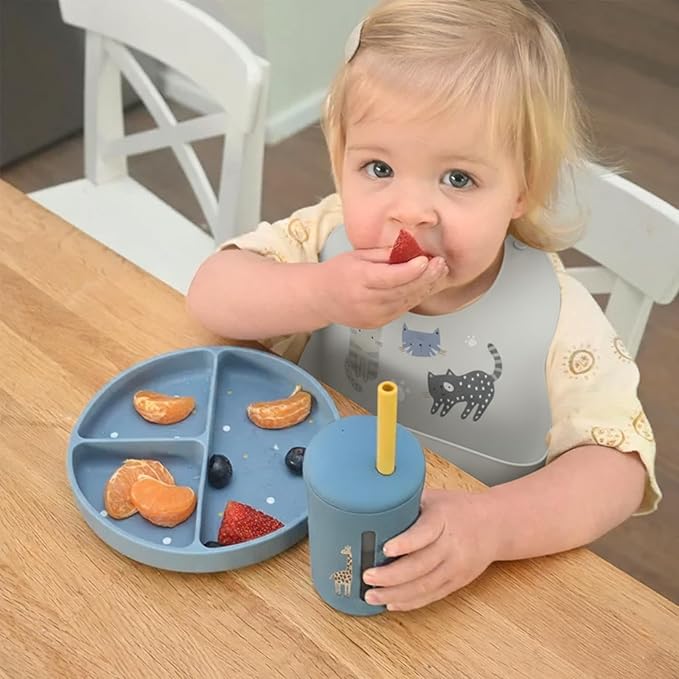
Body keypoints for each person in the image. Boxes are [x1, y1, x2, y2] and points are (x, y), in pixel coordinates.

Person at [187, 0, 660, 611]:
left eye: (458, 178)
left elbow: (619, 468)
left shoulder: (560, 318)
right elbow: (212, 293)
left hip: (461, 577)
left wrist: (493, 526)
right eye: (378, 167)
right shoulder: (324, 239)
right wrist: (318, 292)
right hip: (299, 536)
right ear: (338, 161)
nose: (410, 211)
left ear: (523, 189)